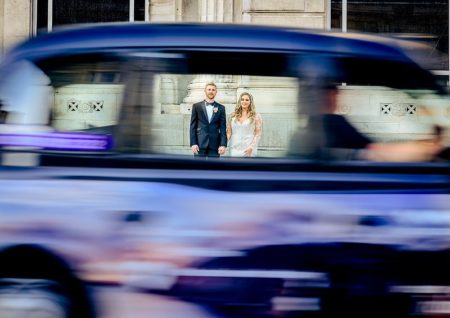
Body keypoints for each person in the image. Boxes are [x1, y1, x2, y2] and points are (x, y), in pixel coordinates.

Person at [290, 84, 442, 162]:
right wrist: (428, 148)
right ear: (328, 95)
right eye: (335, 92)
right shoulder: (332, 123)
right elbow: (374, 151)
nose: (339, 96)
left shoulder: (308, 129)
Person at [190, 82, 227, 157]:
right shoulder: (196, 106)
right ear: (205, 91)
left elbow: (223, 128)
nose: (211, 91)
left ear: (216, 92)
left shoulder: (221, 108)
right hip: (199, 144)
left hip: (215, 145)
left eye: (213, 90)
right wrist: (193, 143)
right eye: (209, 89)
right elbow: (192, 127)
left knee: (214, 168)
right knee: (198, 168)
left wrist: (223, 144)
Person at [226, 92, 263, 157]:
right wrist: (223, 145)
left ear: (250, 102)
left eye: (247, 100)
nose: (244, 101)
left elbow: (258, 133)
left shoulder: (256, 116)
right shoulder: (232, 115)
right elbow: (229, 133)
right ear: (239, 101)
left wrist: (252, 147)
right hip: (234, 148)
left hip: (248, 149)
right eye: (242, 99)